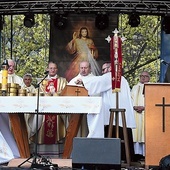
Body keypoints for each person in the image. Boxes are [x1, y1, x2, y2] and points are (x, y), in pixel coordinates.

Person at [81, 62, 136, 138]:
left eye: (104, 69)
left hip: (114, 115)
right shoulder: (122, 78)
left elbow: (97, 82)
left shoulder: (111, 77)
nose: (103, 72)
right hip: (123, 115)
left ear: (110, 68)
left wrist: (83, 81)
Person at [26, 61, 68, 146]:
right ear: (47, 69)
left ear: (57, 70)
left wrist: (55, 93)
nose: (52, 70)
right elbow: (37, 93)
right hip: (44, 109)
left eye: (54, 68)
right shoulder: (42, 81)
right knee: (39, 119)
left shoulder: (63, 81)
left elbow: (66, 93)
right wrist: (47, 93)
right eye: (51, 68)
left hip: (58, 110)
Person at [0, 59, 22, 162]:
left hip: (14, 110)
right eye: (9, 66)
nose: (11, 68)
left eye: (13, 66)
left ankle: (14, 150)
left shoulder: (19, 79)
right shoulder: (1, 75)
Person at [68, 61, 95, 137]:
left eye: (85, 68)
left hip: (89, 111)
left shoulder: (94, 80)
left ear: (89, 68)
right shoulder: (74, 81)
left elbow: (96, 94)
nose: (83, 70)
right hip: (76, 110)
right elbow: (68, 92)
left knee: (87, 130)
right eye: (81, 68)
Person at [131, 71, 150, 160]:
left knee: (145, 133)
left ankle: (145, 154)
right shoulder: (134, 87)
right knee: (136, 133)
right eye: (141, 76)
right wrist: (134, 106)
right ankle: (136, 154)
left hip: (146, 112)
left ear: (149, 78)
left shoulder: (151, 87)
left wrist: (144, 107)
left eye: (145, 76)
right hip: (135, 113)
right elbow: (130, 98)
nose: (143, 78)